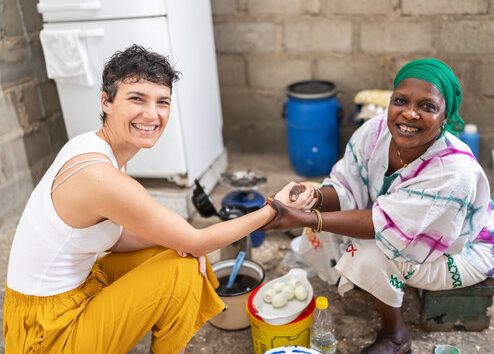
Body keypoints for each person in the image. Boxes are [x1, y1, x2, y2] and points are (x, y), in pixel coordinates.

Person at [2, 44, 292, 354]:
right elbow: (197, 240)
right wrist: (274, 211)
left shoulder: (93, 147)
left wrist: (179, 243)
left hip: (70, 294)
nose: (151, 114)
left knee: (179, 253)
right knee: (186, 263)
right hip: (47, 333)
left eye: (162, 102)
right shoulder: (101, 177)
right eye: (136, 99)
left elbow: (112, 237)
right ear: (107, 101)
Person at [263, 59, 494, 354]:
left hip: (468, 248)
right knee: (328, 225)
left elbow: (381, 226)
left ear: (445, 117)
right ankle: (368, 281)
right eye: (400, 101)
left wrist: (305, 219)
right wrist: (312, 198)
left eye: (427, 107)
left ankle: (396, 336)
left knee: (368, 252)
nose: (409, 113)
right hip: (400, 222)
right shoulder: (376, 131)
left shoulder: (452, 172)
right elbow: (345, 186)